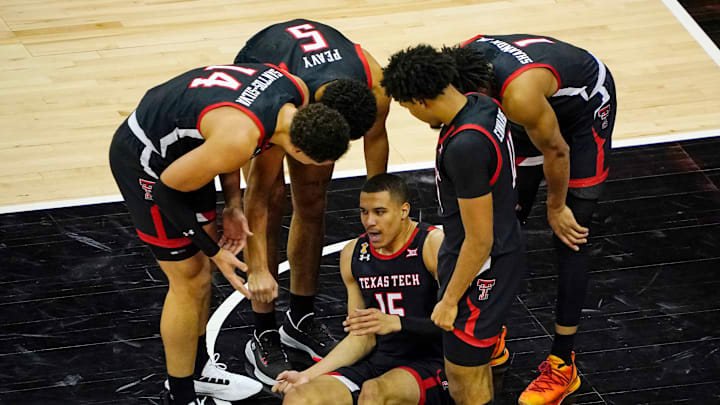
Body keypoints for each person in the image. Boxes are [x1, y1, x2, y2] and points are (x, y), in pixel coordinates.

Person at [108, 62, 350, 405]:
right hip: (147, 163)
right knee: (189, 280)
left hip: (190, 147)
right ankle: (179, 395)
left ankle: (200, 370)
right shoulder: (238, 139)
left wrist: (233, 205)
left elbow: (233, 145)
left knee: (201, 279)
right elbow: (166, 192)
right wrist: (214, 251)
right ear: (297, 149)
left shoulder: (293, 92)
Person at [445, 34, 616, 404]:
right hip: (530, 113)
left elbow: (557, 150)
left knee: (571, 236)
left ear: (483, 89)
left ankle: (562, 364)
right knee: (504, 225)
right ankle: (492, 335)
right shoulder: (463, 61)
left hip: (582, 114)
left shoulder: (519, 95)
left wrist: (555, 207)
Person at [233, 19, 391, 383]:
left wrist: (376, 211)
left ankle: (300, 319)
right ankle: (264, 332)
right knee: (271, 204)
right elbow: (254, 199)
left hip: (310, 77)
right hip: (258, 82)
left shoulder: (375, 83)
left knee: (313, 198)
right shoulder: (278, 105)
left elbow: (377, 138)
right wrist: (257, 270)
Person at [381, 45, 527, 405]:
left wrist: (448, 300)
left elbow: (479, 240)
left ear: (420, 101)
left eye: (406, 107)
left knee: (462, 375)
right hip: (493, 243)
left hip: (483, 265)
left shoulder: (466, 146)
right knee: (473, 365)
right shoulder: (482, 103)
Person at [270, 173, 455, 405]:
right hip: (378, 362)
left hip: (431, 363)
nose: (369, 221)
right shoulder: (354, 254)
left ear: (403, 211)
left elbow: (463, 323)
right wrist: (306, 375)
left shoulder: (431, 246)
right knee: (299, 397)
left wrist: (398, 323)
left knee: (374, 393)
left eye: (379, 212)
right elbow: (361, 337)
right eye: (363, 212)